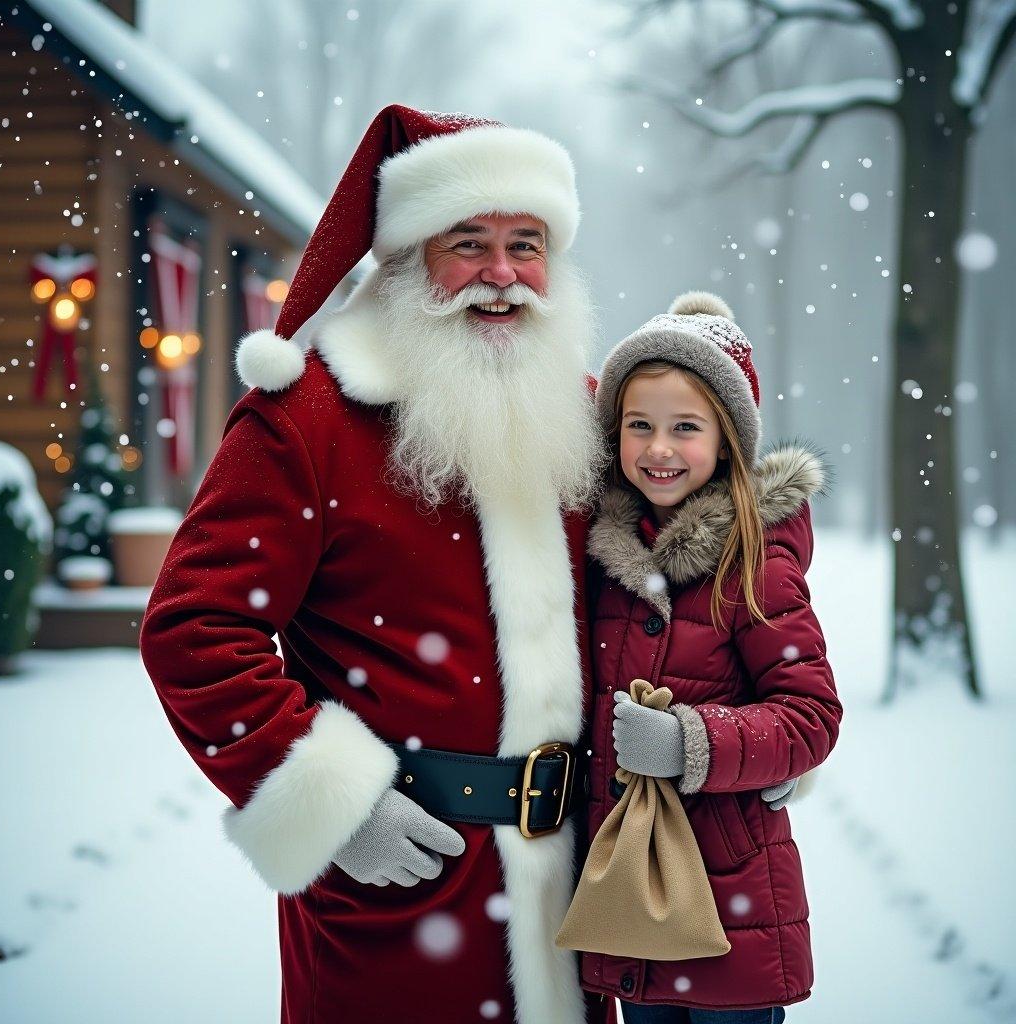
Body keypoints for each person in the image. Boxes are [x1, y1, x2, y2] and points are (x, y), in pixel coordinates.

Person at [139, 105, 609, 1024]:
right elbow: (197, 628)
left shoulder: (587, 415)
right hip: (400, 891)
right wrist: (338, 805)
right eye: (467, 242)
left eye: (527, 243)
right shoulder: (308, 418)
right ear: (402, 258)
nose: (504, 275)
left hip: (578, 897)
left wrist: (735, 729)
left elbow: (677, 589)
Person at [578, 292, 843, 1021]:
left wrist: (692, 742)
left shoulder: (754, 562)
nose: (658, 449)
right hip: (630, 897)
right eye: (640, 426)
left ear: (728, 440)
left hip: (730, 898)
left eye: (684, 428)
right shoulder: (605, 553)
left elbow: (811, 714)